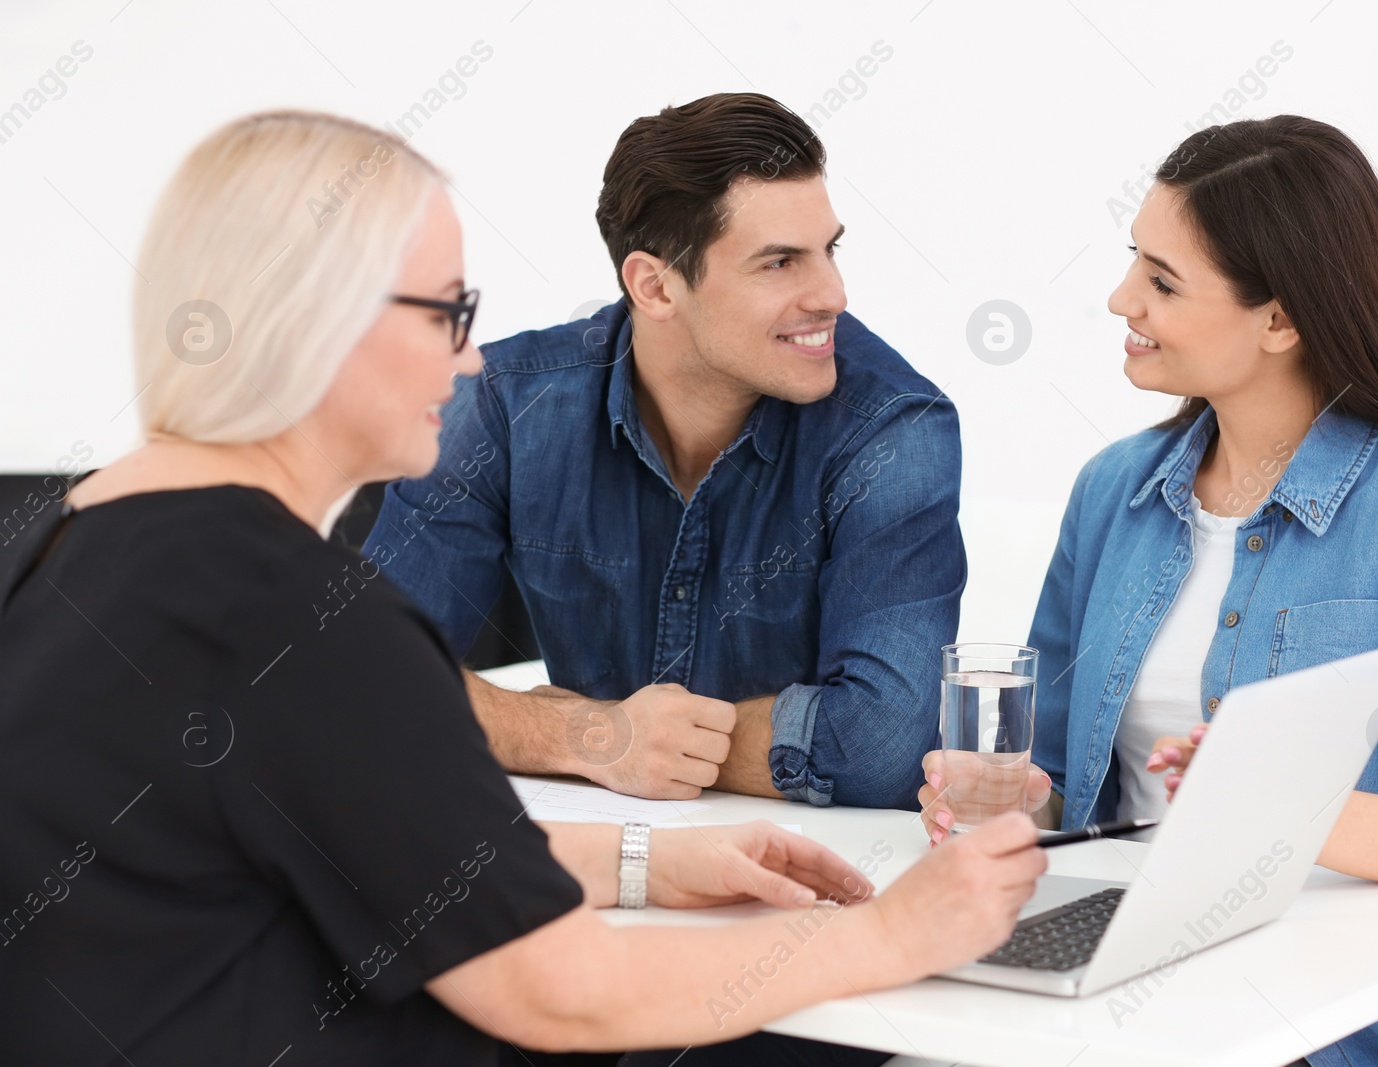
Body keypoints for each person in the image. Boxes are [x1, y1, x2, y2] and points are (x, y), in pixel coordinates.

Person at [0, 110, 1047, 1067]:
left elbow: (368, 823)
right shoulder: (300, 616)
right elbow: (566, 993)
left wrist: (645, 860)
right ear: (319, 317)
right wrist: (897, 929)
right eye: (447, 313)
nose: (466, 365)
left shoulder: (60, 543)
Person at [916, 116, 1378, 1067]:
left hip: (1326, 1022)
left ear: (1280, 319)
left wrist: (1284, 808)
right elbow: (1059, 775)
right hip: (1111, 974)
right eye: (1132, 262)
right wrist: (1015, 792)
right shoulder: (1113, 491)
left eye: (1162, 281)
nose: (1119, 299)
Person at [363, 93, 963, 810]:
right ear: (654, 286)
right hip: (581, 853)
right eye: (779, 263)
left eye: (828, 250)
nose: (832, 293)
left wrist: (637, 739)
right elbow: (365, 675)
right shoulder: (503, 405)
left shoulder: (893, 429)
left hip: (805, 880)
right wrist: (586, 734)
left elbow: (882, 747)